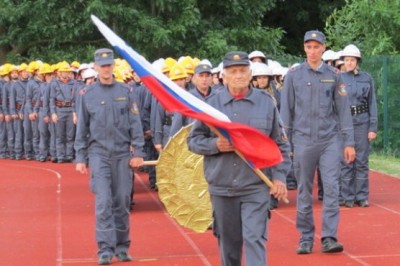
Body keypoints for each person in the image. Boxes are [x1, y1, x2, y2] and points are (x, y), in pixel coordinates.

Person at [188, 51, 291, 266]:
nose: (238, 76)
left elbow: (280, 144)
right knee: (229, 245)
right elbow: (193, 141)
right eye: (233, 71)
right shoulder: (211, 106)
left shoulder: (266, 102)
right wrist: (215, 145)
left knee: (254, 238)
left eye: (243, 71)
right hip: (222, 186)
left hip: (255, 185)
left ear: (250, 73)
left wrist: (280, 178)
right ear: (223, 75)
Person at [280, 30, 356, 254]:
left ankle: (329, 237)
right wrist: (286, 143)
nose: (313, 51)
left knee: (332, 188)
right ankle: (305, 237)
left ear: (323, 48)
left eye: (317, 46)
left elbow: (343, 111)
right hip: (303, 140)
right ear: (304, 48)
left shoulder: (334, 74)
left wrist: (348, 142)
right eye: (309, 47)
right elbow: (286, 112)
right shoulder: (293, 75)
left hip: (329, 140)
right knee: (303, 190)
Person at [74, 48, 145, 265]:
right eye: (102, 65)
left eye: (109, 65)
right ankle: (105, 249)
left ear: (113, 66)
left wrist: (139, 151)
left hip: (123, 154)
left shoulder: (126, 90)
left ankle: (122, 246)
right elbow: (82, 128)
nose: (106, 69)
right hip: (99, 154)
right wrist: (80, 157)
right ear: (95, 67)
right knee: (103, 202)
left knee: (122, 202)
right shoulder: (87, 95)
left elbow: (135, 123)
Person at [339, 44, 378, 208]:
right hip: (345, 123)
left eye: (352, 60)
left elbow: (372, 103)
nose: (349, 63)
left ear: (357, 61)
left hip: (362, 121)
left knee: (361, 160)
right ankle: (347, 196)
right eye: (346, 60)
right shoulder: (338, 78)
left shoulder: (366, 78)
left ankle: (361, 196)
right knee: (347, 160)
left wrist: (373, 127)